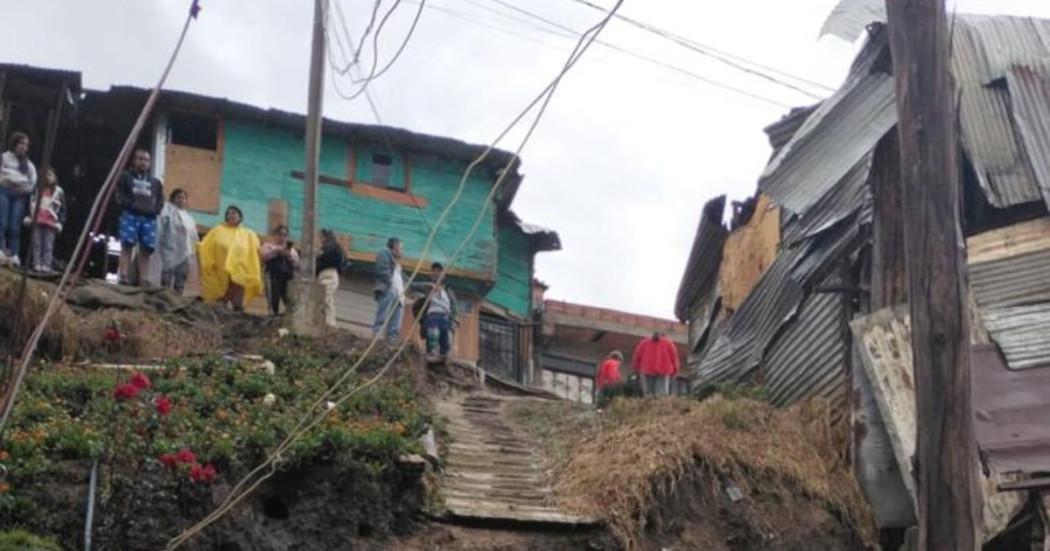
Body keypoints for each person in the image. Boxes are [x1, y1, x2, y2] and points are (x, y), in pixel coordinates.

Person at [198, 205, 262, 312]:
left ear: (240, 216)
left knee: (238, 296)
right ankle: (220, 314)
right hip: (221, 270)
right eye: (229, 213)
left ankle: (237, 315)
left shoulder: (248, 234)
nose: (231, 215)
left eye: (234, 213)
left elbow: (254, 252)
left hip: (240, 271)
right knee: (222, 294)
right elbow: (206, 246)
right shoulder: (217, 230)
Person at [115, 149, 164, 286]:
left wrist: (156, 210)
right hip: (130, 215)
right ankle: (123, 275)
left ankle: (144, 279)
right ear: (134, 160)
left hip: (149, 218)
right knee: (127, 245)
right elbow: (118, 193)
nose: (143, 162)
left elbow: (160, 199)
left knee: (146, 250)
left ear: (149, 163)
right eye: (140, 159)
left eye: (146, 160)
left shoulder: (155, 182)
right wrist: (128, 204)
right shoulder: (125, 176)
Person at [0, 132, 37, 266]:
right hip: (3, 192)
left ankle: (15, 255)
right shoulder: (4, 158)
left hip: (19, 196)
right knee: (1, 222)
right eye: (21, 143)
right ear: (15, 143)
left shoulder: (29, 165)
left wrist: (11, 180)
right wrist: (12, 180)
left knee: (14, 226)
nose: (24, 147)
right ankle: (1, 251)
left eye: (26, 145)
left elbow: (31, 184)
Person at [409, 262, 458, 359]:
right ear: (430, 274)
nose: (436, 273)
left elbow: (454, 306)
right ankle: (431, 355)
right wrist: (428, 285)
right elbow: (412, 285)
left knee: (446, 340)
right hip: (432, 317)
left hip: (445, 318)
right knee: (433, 335)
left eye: (439, 271)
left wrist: (454, 320)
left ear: (443, 275)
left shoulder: (448, 291)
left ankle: (444, 358)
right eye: (434, 271)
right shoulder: (427, 287)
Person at [157, 188, 200, 294]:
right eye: (179, 197)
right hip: (169, 247)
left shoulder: (188, 216)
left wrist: (195, 248)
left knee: (181, 274)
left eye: (184, 198)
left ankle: (178, 295)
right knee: (167, 272)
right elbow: (161, 227)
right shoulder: (166, 211)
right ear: (173, 198)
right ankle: (164, 294)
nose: (181, 200)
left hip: (184, 251)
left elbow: (193, 235)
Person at [25, 167, 66, 273]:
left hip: (51, 222)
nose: (47, 177)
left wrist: (60, 222)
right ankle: (37, 263)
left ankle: (46, 264)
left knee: (48, 244)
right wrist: (29, 216)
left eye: (50, 175)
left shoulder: (59, 191)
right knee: (36, 242)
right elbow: (30, 203)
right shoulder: (37, 189)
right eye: (45, 175)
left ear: (54, 177)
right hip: (37, 220)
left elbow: (62, 209)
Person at [260, 225, 300, 316]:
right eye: (280, 234)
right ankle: (273, 317)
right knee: (273, 299)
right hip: (273, 276)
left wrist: (288, 256)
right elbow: (264, 256)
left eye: (285, 235)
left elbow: (297, 265)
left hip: (287, 278)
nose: (282, 237)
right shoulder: (268, 246)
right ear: (274, 235)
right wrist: (278, 250)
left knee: (289, 299)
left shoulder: (292, 250)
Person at [373, 237, 404, 342]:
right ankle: (377, 334)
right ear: (395, 246)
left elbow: (408, 280)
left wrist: (424, 285)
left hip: (398, 294)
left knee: (397, 316)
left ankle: (391, 339)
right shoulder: (385, 253)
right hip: (388, 289)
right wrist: (391, 284)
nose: (402, 251)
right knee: (384, 311)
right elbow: (381, 270)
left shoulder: (397, 265)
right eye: (401, 247)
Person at [631, 332, 680, 397]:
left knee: (648, 394)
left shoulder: (644, 343)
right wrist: (675, 371)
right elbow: (674, 358)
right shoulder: (669, 343)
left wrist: (636, 369)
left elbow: (637, 356)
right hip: (663, 371)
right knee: (661, 395)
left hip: (647, 371)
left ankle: (648, 404)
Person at [316, 229, 346, 326]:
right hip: (326, 275)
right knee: (328, 302)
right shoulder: (332, 249)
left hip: (329, 275)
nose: (321, 240)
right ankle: (330, 324)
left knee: (321, 299)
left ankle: (324, 323)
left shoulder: (331, 249)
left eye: (322, 237)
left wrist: (319, 256)